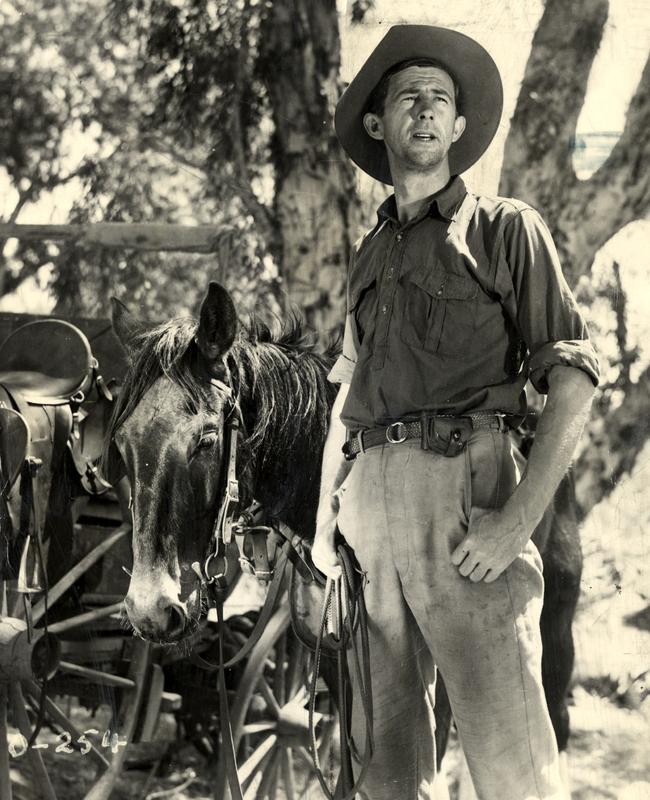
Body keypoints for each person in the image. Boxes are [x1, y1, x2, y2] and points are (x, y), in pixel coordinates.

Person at [312, 24, 599, 800]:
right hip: (371, 511)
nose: (427, 110)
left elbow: (571, 380)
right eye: (409, 97)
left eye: (441, 99)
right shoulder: (371, 254)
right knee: (382, 763)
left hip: (464, 498)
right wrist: (329, 521)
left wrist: (515, 523)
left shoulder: (505, 228)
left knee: (511, 764)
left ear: (461, 127)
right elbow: (348, 395)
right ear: (378, 124)